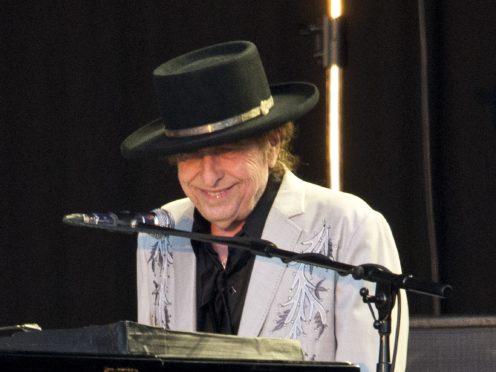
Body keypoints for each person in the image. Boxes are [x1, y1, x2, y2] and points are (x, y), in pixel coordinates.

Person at [121, 40, 409, 372]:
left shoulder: (349, 227)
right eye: (190, 155)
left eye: (227, 149)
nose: (209, 175)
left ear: (272, 145)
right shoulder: (160, 231)